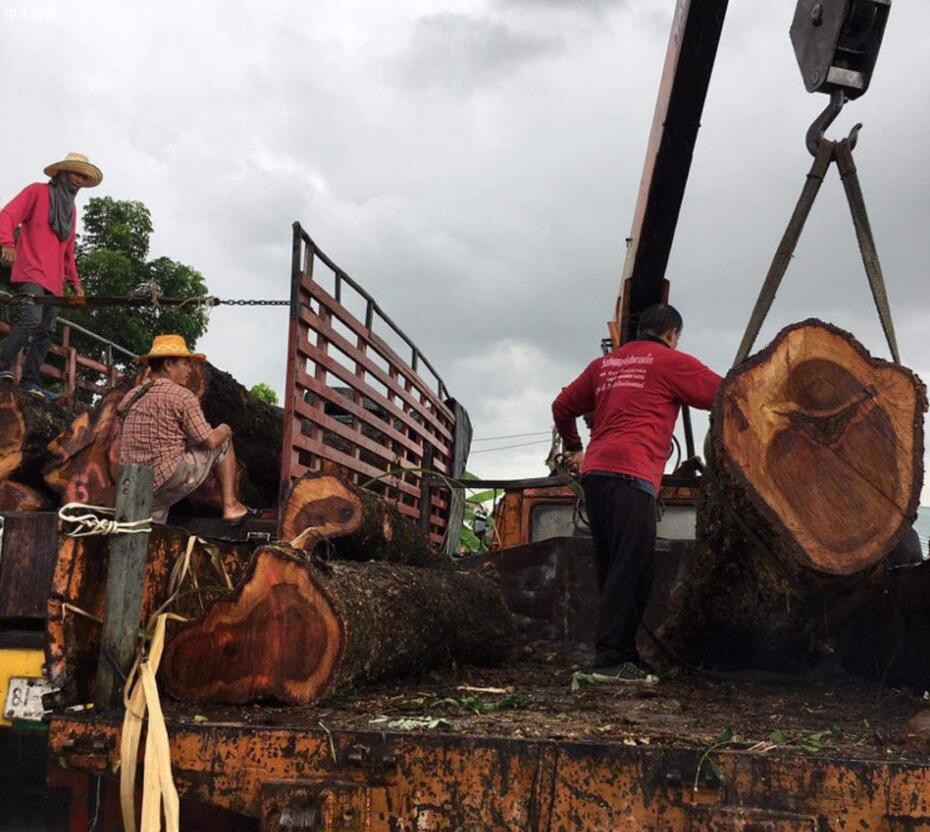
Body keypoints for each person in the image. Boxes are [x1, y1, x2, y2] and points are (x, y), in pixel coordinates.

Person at [552, 304, 722, 684]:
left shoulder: (606, 365)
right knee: (634, 568)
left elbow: (561, 406)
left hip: (596, 474)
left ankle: (623, 654)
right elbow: (723, 394)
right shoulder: (669, 361)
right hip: (632, 473)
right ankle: (611, 660)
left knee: (615, 566)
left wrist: (574, 447)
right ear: (672, 334)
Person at [118, 334, 260, 526]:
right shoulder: (183, 396)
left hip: (133, 484)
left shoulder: (131, 396)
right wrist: (225, 429)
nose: (189, 369)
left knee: (150, 530)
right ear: (169, 364)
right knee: (222, 439)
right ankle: (231, 506)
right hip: (167, 478)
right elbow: (210, 441)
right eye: (185, 363)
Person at [0, 153, 102, 400]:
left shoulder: (71, 209)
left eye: (84, 178)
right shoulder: (37, 192)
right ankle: (2, 366)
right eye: (77, 174)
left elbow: (68, 251)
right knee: (31, 319)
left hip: (54, 281)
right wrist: (7, 243)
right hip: (31, 270)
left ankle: (30, 381)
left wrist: (75, 283)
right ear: (63, 173)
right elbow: (7, 215)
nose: (79, 181)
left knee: (46, 331)